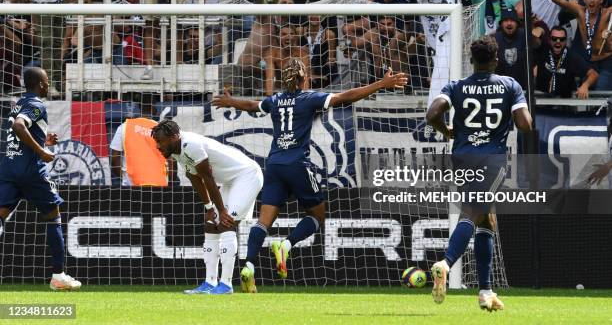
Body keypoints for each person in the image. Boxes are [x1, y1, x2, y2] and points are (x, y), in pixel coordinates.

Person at [212, 59, 407, 293]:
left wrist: (230, 101)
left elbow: (254, 106)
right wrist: (381, 84)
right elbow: (345, 97)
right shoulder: (309, 98)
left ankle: (249, 266)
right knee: (317, 214)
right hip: (297, 164)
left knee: (264, 221)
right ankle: (286, 244)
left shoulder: (275, 100)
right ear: (305, 78)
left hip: (273, 164)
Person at [426, 37, 532, 311]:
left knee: (487, 219)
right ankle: (446, 263)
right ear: (496, 60)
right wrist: (516, 109)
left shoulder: (457, 86)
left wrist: (446, 130)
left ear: (471, 60)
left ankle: (485, 291)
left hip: (462, 157)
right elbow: (524, 125)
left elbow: (432, 113)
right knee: (474, 211)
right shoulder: (509, 85)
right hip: (491, 159)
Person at [151, 119, 263, 295]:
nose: (157, 146)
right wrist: (209, 208)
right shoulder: (177, 151)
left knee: (227, 223)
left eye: (160, 142)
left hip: (247, 175)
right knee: (211, 225)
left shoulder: (191, 144)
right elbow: (194, 178)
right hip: (229, 181)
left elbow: (208, 178)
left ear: (174, 137)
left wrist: (222, 211)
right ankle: (210, 282)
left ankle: (226, 285)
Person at [0, 67, 81, 290]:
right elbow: (19, 127)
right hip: (31, 171)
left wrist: (43, 141)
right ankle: (58, 276)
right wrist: (43, 152)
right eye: (46, 82)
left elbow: (18, 132)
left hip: (8, 169)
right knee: (53, 215)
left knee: (1, 216)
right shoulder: (36, 104)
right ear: (42, 84)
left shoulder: (18, 104)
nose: (47, 85)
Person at [534, 25, 599, 98]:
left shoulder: (571, 56)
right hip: (541, 100)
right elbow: (533, 39)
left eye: (561, 39)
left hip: (564, 103)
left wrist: (585, 85)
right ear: (549, 40)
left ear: (565, 41)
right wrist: (539, 29)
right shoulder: (543, 50)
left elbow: (594, 74)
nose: (557, 42)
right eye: (554, 39)